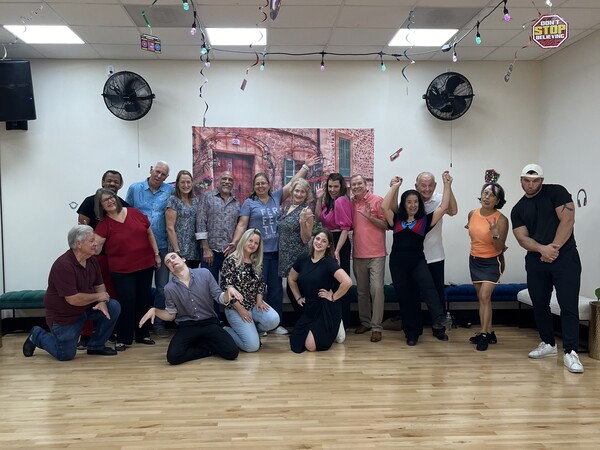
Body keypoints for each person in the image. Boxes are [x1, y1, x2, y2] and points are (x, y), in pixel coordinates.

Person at [227, 155, 320, 335]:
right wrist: (235, 242)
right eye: (257, 184)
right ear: (254, 187)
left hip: (276, 252)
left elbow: (293, 184)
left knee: (276, 289)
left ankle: (275, 324)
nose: (261, 186)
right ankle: (259, 323)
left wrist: (305, 167)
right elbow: (242, 224)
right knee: (257, 287)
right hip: (258, 253)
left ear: (269, 185)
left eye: (264, 183)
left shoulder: (276, 197)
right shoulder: (249, 203)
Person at [511, 164, 584, 373]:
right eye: (527, 180)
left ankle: (571, 352)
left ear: (541, 181)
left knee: (568, 304)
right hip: (536, 260)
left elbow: (568, 220)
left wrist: (553, 248)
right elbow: (521, 238)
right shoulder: (518, 208)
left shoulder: (557, 192)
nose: (531, 184)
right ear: (521, 180)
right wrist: (542, 249)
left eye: (535, 181)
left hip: (565, 257)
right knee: (540, 303)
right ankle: (549, 344)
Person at [22, 225, 120, 360]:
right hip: (64, 316)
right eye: (91, 241)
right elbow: (73, 299)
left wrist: (102, 301)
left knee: (113, 306)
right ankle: (37, 335)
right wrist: (99, 296)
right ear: (78, 244)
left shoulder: (92, 260)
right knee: (65, 355)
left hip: (85, 307)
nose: (96, 243)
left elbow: (99, 285)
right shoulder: (64, 265)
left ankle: (96, 346)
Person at [382, 173, 452, 346]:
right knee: (406, 298)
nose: (413, 205)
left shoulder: (424, 221)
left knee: (429, 287)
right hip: (398, 264)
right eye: (409, 202)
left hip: (417, 262)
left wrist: (447, 184)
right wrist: (395, 187)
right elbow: (384, 206)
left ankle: (439, 318)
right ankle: (411, 333)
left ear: (419, 204)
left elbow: (444, 206)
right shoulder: (396, 220)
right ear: (404, 204)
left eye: (415, 202)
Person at [139, 252, 240, 365]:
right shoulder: (169, 288)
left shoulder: (204, 273)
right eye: (168, 262)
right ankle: (208, 349)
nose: (172, 261)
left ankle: (200, 341)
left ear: (183, 259)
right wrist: (155, 310)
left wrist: (228, 291)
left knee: (232, 353)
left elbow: (219, 297)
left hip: (209, 322)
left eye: (173, 257)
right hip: (187, 325)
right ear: (170, 270)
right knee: (173, 357)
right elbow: (171, 315)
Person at [94, 188, 161, 350]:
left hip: (145, 264)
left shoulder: (134, 212)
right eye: (105, 200)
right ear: (101, 205)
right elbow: (95, 248)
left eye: (111, 197)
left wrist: (156, 254)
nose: (110, 201)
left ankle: (143, 334)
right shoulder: (104, 224)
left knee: (143, 299)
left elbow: (149, 234)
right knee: (127, 301)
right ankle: (124, 337)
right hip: (121, 270)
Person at [76, 169, 129, 349]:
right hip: (93, 258)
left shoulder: (124, 206)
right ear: (102, 182)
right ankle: (85, 334)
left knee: (111, 295)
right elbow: (81, 229)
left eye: (116, 181)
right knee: (89, 294)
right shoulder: (89, 202)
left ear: (120, 185)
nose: (112, 184)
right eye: (109, 180)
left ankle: (107, 332)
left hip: (114, 259)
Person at [125, 161, 174, 338]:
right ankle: (138, 324)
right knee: (139, 289)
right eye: (157, 172)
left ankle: (158, 323)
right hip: (139, 247)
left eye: (163, 174)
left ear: (167, 177)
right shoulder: (134, 188)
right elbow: (125, 214)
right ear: (151, 170)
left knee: (162, 288)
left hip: (162, 245)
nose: (159, 176)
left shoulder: (170, 191)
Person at [288, 229, 352, 353]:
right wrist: (298, 297)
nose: (319, 242)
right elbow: (291, 278)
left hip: (325, 308)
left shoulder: (329, 263)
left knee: (310, 346)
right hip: (309, 308)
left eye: (323, 241)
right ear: (313, 240)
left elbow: (347, 282)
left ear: (328, 245)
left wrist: (333, 297)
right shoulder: (303, 259)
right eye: (317, 239)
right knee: (296, 343)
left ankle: (337, 325)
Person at [220, 229, 280, 352]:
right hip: (235, 308)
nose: (252, 244)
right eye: (250, 240)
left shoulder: (256, 261)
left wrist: (260, 301)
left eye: (256, 243)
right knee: (251, 347)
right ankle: (226, 331)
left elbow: (260, 283)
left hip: (253, 304)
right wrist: (242, 311)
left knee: (274, 319)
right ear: (244, 240)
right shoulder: (230, 260)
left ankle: (253, 332)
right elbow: (227, 289)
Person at [466, 182, 509, 351]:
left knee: (484, 296)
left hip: (492, 262)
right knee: (483, 299)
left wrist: (495, 234)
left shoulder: (502, 219)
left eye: (492, 195)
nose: (487, 197)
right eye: (485, 193)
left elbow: (500, 247)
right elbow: (473, 232)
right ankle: (490, 332)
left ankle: (483, 335)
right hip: (475, 260)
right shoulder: (472, 214)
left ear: (497, 200)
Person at [413, 171, 458, 323]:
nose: (427, 189)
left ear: (435, 185)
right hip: (414, 257)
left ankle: (439, 326)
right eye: (423, 185)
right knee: (414, 292)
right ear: (416, 186)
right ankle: (415, 327)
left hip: (435, 256)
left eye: (430, 185)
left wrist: (448, 186)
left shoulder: (440, 199)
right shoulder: (411, 201)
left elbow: (453, 211)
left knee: (438, 292)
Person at [350, 174, 387, 343]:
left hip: (377, 254)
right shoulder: (350, 203)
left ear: (366, 185)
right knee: (362, 291)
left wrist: (370, 217)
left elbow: (386, 225)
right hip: (358, 253)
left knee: (377, 290)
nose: (356, 186)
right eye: (354, 184)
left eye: (359, 183)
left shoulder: (377, 200)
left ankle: (376, 327)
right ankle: (365, 322)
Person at [315, 173, 353, 326]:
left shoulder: (341, 201)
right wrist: (319, 199)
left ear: (341, 186)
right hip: (329, 241)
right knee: (329, 281)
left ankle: (342, 320)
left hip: (339, 243)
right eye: (330, 186)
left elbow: (345, 228)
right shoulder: (330, 201)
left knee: (340, 282)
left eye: (336, 186)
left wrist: (336, 250)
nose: (332, 189)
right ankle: (330, 319)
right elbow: (318, 217)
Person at [278, 178, 314, 322]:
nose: (299, 194)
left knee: (297, 291)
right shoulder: (288, 207)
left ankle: (306, 323)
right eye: (297, 191)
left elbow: (306, 239)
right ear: (292, 192)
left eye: (302, 192)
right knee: (291, 290)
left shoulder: (306, 211)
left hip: (298, 257)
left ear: (306, 194)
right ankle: (303, 323)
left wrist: (302, 222)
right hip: (286, 256)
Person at [196, 171, 241, 283]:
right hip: (210, 252)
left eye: (230, 180)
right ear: (218, 181)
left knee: (230, 286)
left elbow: (239, 226)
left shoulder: (236, 203)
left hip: (229, 252)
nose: (227, 182)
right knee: (209, 286)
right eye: (224, 179)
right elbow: (200, 223)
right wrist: (206, 249)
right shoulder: (207, 197)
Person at [166, 169, 201, 268]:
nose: (186, 185)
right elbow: (170, 228)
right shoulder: (173, 200)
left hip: (194, 250)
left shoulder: (195, 200)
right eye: (182, 182)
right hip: (180, 250)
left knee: (192, 276)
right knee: (181, 276)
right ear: (177, 184)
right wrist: (177, 251)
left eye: (188, 182)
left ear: (192, 183)